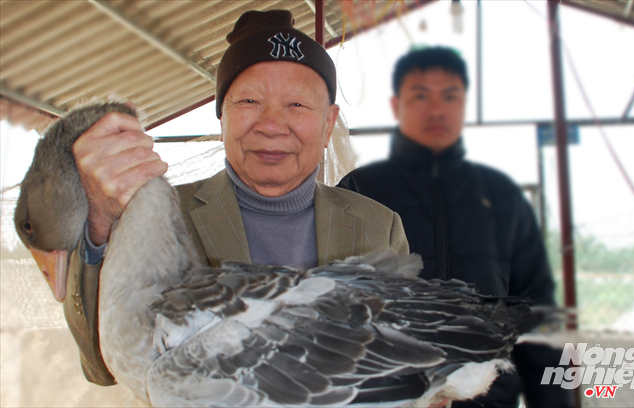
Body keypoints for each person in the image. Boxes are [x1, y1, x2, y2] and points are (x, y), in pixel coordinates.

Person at [63, 10, 408, 386]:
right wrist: (97, 226)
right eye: (248, 102)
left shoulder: (379, 226)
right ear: (221, 116)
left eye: (296, 104)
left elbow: (399, 358)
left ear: (328, 123)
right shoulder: (155, 218)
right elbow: (101, 364)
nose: (272, 125)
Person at [337, 47, 574, 408]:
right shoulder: (358, 191)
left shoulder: (501, 196)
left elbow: (538, 313)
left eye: (450, 97)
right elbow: (335, 310)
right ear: (397, 105)